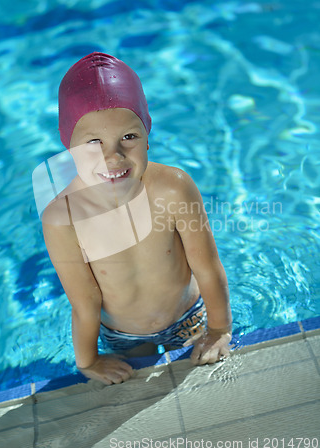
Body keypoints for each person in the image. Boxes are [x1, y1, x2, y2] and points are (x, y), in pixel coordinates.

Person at [42, 52, 232, 385]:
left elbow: (207, 267)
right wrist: (88, 362)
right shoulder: (63, 217)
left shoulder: (174, 187)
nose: (112, 157)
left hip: (188, 316)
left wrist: (219, 329)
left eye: (128, 137)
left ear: (147, 132)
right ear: (68, 146)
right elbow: (84, 303)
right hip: (122, 335)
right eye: (93, 142)